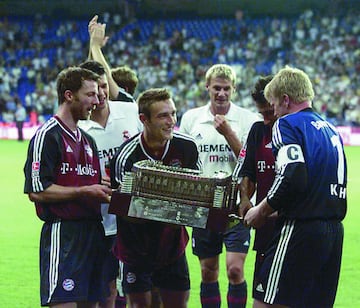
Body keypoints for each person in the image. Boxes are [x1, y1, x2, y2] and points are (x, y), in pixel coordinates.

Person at [244, 66, 347, 307]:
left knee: (265, 302)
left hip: (300, 229)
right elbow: (315, 187)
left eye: (274, 106)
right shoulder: (331, 130)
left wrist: (262, 210)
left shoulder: (287, 125)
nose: (274, 114)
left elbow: (293, 175)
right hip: (333, 233)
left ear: (285, 100)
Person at [23, 67, 113, 307]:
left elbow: (92, 184)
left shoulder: (88, 140)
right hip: (64, 235)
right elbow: (37, 190)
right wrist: (84, 191)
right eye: (90, 94)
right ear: (69, 95)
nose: (97, 100)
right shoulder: (48, 136)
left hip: (94, 233)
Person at [110, 87, 202, 307]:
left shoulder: (186, 147)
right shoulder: (126, 157)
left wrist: (151, 204)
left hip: (172, 247)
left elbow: (197, 201)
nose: (171, 121)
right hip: (136, 248)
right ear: (144, 119)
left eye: (173, 113)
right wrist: (171, 205)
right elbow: (125, 210)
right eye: (163, 115)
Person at [179, 64, 260, 308]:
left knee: (235, 270)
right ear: (207, 87)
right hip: (204, 208)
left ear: (234, 89)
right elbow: (183, 161)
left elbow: (251, 162)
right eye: (216, 88)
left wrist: (228, 133)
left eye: (226, 88)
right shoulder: (191, 118)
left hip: (238, 205)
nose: (221, 93)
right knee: (208, 271)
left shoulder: (249, 120)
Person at [78, 60, 142, 308]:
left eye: (104, 86)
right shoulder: (80, 126)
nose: (101, 94)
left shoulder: (128, 111)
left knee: (138, 285)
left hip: (132, 216)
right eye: (94, 90)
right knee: (106, 288)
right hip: (99, 220)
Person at [236, 75, 278, 301]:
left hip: (292, 228)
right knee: (261, 296)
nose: (265, 120)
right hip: (265, 231)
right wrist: (244, 199)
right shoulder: (257, 131)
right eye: (261, 114)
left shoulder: (297, 134)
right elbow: (247, 172)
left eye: (269, 113)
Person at [88, 15, 136, 103]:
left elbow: (107, 76)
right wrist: (93, 45)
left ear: (125, 90)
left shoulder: (128, 103)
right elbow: (90, 73)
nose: (100, 92)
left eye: (104, 86)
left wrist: (95, 46)